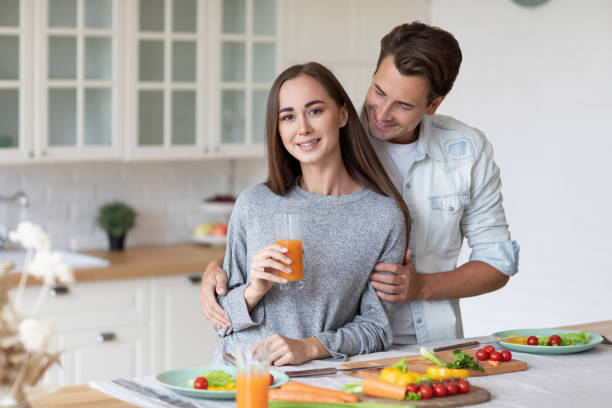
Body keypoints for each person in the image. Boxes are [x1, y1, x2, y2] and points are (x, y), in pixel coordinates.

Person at [201, 22, 519, 345]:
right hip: (346, 357)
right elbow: (268, 218)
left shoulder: (466, 152)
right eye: (379, 91)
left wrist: (421, 286)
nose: (381, 113)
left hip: (425, 342)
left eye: (404, 105)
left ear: (433, 106)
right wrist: (220, 269)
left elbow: (498, 262)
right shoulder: (330, 136)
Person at [211, 62, 410, 366]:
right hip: (237, 377)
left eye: (315, 111)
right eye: (288, 117)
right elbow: (221, 321)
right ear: (278, 129)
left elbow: (377, 328)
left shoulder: (382, 216)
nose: (302, 127)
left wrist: (312, 346)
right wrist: (254, 290)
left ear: (342, 114)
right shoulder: (254, 203)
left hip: (316, 383)